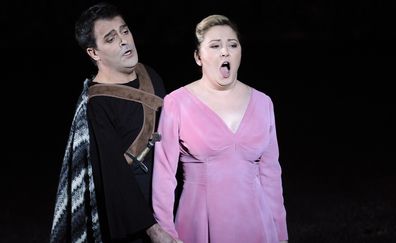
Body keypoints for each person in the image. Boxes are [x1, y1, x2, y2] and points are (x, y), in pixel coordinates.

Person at [50, 2, 182, 243]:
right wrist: (152, 229)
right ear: (94, 53)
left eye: (124, 31)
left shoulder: (149, 74)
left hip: (169, 199)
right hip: (132, 219)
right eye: (110, 38)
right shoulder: (96, 105)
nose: (124, 41)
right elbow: (112, 176)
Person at [152, 14, 289, 243]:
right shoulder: (177, 102)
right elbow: (164, 174)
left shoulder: (263, 102)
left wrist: (281, 233)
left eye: (232, 45)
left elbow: (271, 173)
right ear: (198, 57)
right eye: (215, 46)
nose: (225, 51)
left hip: (257, 222)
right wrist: (165, 231)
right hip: (199, 221)